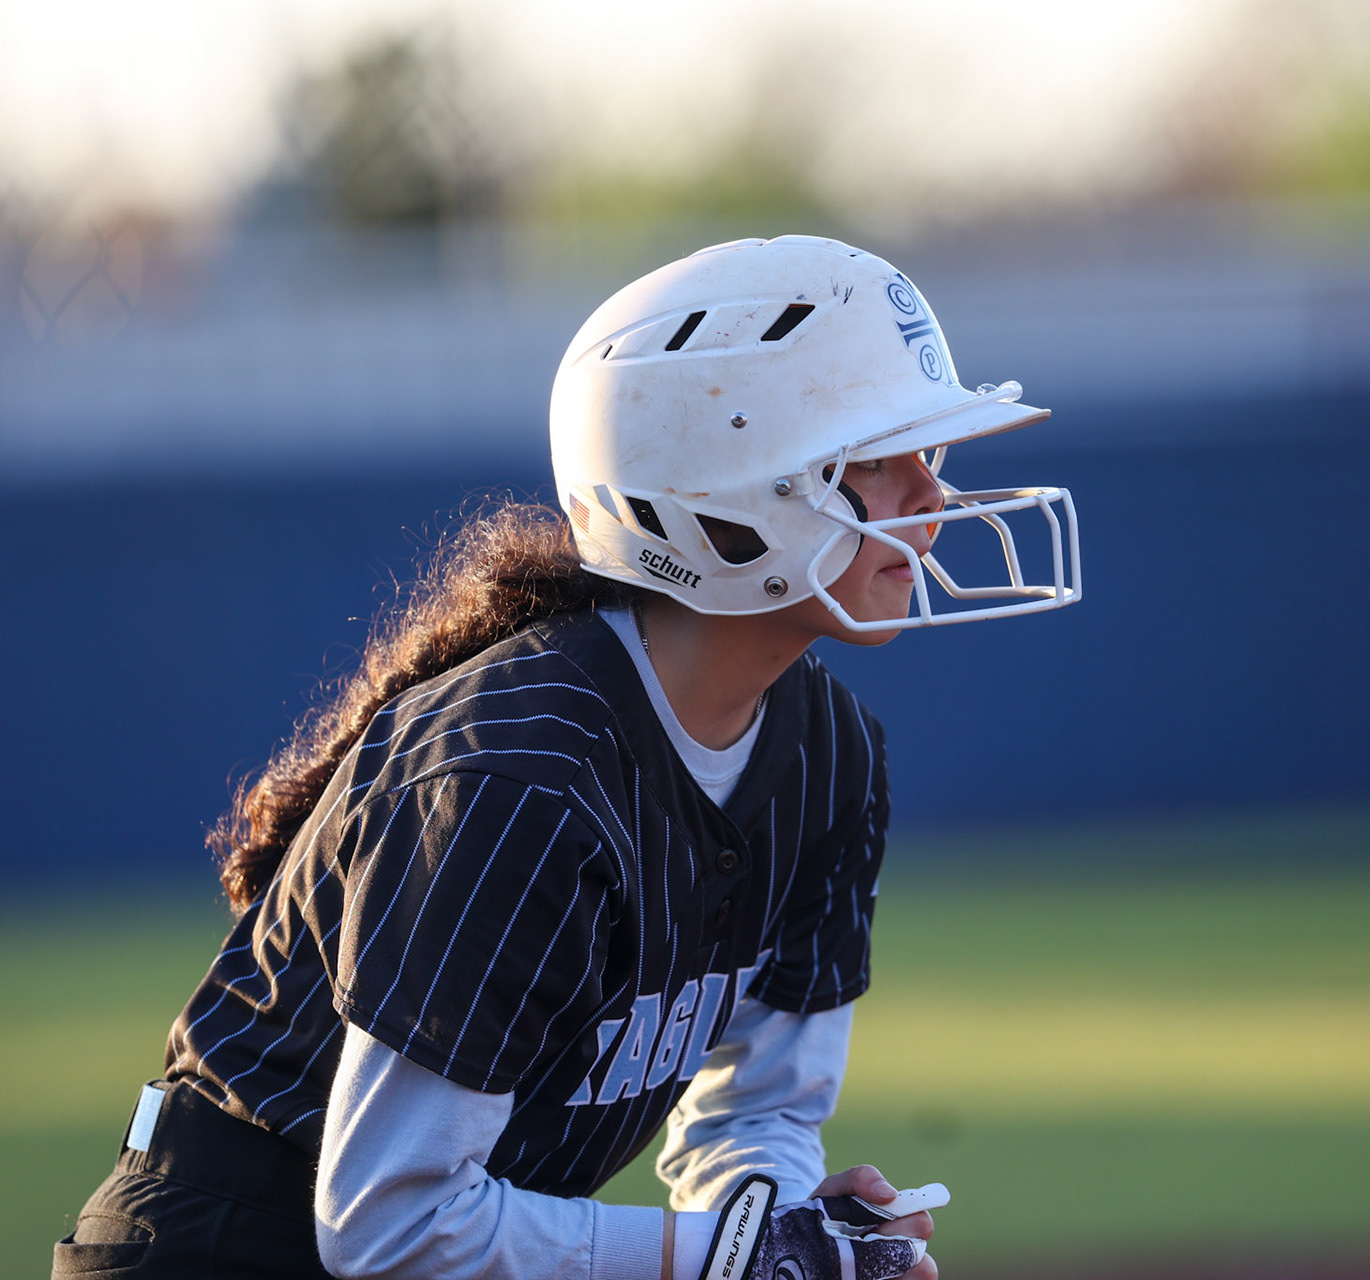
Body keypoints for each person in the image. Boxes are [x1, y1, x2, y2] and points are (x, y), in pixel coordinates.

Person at [51, 235, 1081, 1280]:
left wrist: (784, 1235)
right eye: (878, 455)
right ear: (733, 485)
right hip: (223, 1248)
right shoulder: (520, 773)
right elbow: (386, 1220)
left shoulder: (832, 756)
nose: (932, 496)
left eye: (932, 454)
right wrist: (741, 1257)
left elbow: (758, 1109)